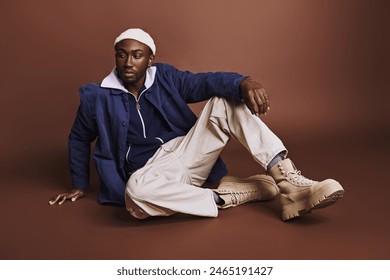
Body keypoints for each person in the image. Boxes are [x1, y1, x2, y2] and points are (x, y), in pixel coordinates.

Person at [49, 28, 344, 221]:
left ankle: (287, 180)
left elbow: (203, 81)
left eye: (137, 55)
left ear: (150, 59)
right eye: (122, 54)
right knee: (135, 196)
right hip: (150, 175)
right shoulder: (96, 96)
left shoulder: (165, 77)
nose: (128, 62)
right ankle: (230, 195)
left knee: (226, 99)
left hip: (186, 152)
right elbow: (78, 138)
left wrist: (243, 82)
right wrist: (79, 184)